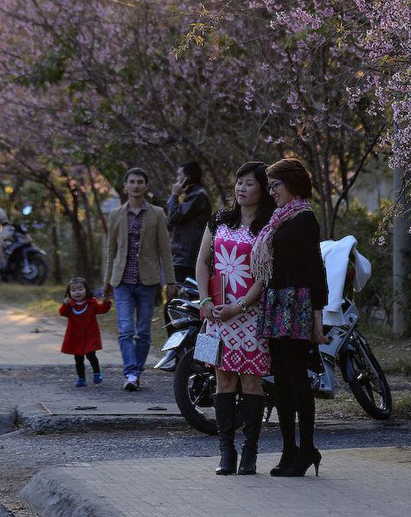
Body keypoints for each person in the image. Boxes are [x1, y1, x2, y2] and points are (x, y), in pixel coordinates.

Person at [195, 161, 274, 475]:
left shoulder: (269, 226)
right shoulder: (219, 220)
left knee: (251, 381)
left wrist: (239, 307)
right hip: (216, 314)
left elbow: (263, 276)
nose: (242, 188)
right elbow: (202, 261)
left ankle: (250, 452)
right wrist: (204, 301)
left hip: (250, 315)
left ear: (263, 189)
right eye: (239, 182)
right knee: (223, 380)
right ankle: (225, 452)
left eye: (250, 183)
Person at [252, 157, 329, 478]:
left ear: (293, 184)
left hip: (296, 304)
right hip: (275, 301)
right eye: (269, 187)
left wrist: (317, 319)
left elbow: (315, 271)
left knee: (297, 380)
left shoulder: (304, 219)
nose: (272, 192)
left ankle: (308, 447)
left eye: (276, 185)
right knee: (281, 382)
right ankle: (289, 450)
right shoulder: (279, 219)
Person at [103, 167, 176, 391]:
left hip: (147, 281)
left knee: (143, 331)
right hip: (122, 280)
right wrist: (106, 283)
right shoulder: (116, 215)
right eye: (131, 182)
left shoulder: (157, 213)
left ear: (146, 186)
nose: (135, 186)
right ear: (125, 186)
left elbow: (165, 250)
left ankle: (137, 371)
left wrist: (170, 281)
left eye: (139, 182)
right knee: (125, 329)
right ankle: (131, 373)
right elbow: (111, 251)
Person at [59, 276, 113, 387]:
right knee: (78, 358)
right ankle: (81, 378)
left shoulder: (92, 303)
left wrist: (107, 302)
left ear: (86, 290)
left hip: (90, 335)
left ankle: (97, 373)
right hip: (75, 337)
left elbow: (102, 309)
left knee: (91, 355)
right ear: (69, 293)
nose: (77, 292)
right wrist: (65, 304)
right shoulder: (70, 305)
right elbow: (62, 313)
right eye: (73, 290)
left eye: (80, 289)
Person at [167, 161, 212, 289]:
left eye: (179, 175)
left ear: (188, 177)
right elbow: (170, 222)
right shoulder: (191, 195)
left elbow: (174, 217)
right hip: (183, 257)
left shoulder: (198, 196)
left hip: (186, 258)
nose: (176, 179)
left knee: (181, 298)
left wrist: (174, 195)